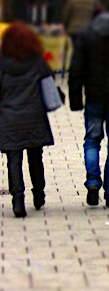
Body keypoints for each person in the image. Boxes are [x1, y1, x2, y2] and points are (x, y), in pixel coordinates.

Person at [68, 0, 109, 209]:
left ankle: (93, 182)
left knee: (92, 140)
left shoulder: (87, 31)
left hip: (93, 96)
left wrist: (75, 98)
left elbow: (76, 67)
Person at [0, 23, 55, 218]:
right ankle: (38, 194)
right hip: (34, 116)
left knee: (13, 159)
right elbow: (49, 83)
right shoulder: (37, 62)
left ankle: (17, 199)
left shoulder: (2, 63)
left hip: (9, 118)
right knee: (35, 156)